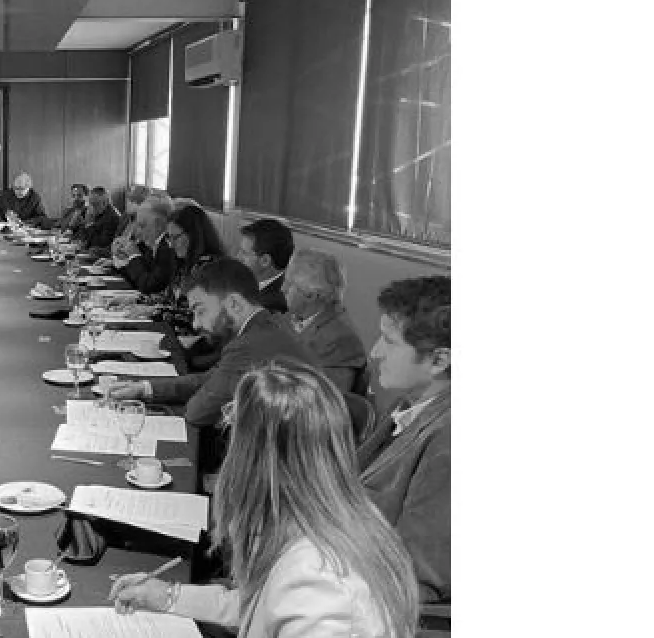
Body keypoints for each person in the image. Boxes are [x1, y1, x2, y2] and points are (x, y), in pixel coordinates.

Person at [109, 360, 419, 638]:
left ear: (254, 458)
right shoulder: (335, 520)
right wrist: (167, 596)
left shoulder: (319, 580)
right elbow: (262, 605)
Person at [107, 258, 320, 427]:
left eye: (201, 311)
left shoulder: (248, 345)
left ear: (234, 304)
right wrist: (144, 388)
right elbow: (210, 378)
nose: (195, 323)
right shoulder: (264, 326)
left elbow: (197, 412)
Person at [358, 276, 451, 606]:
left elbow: (416, 577)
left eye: (389, 341)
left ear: (438, 361)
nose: (375, 352)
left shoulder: (449, 445)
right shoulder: (408, 406)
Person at [283, 249, 368, 396]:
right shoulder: (291, 317)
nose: (282, 288)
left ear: (311, 296)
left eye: (289, 284)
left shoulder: (340, 341)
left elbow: (325, 402)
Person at [113, 194, 177, 295]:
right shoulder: (150, 244)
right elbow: (135, 279)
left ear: (159, 225)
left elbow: (148, 286)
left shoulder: (168, 248)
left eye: (142, 226)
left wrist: (134, 256)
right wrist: (122, 259)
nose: (137, 232)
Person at [237, 218, 294, 313]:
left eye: (244, 253)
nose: (237, 257)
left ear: (265, 261)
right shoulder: (250, 282)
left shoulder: (270, 306)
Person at [77, 186, 122, 254]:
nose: (91, 208)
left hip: (101, 255)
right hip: (89, 251)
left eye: (95, 204)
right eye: (90, 204)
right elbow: (82, 236)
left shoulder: (112, 217)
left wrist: (89, 225)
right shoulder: (98, 213)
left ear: (105, 203)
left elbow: (102, 244)